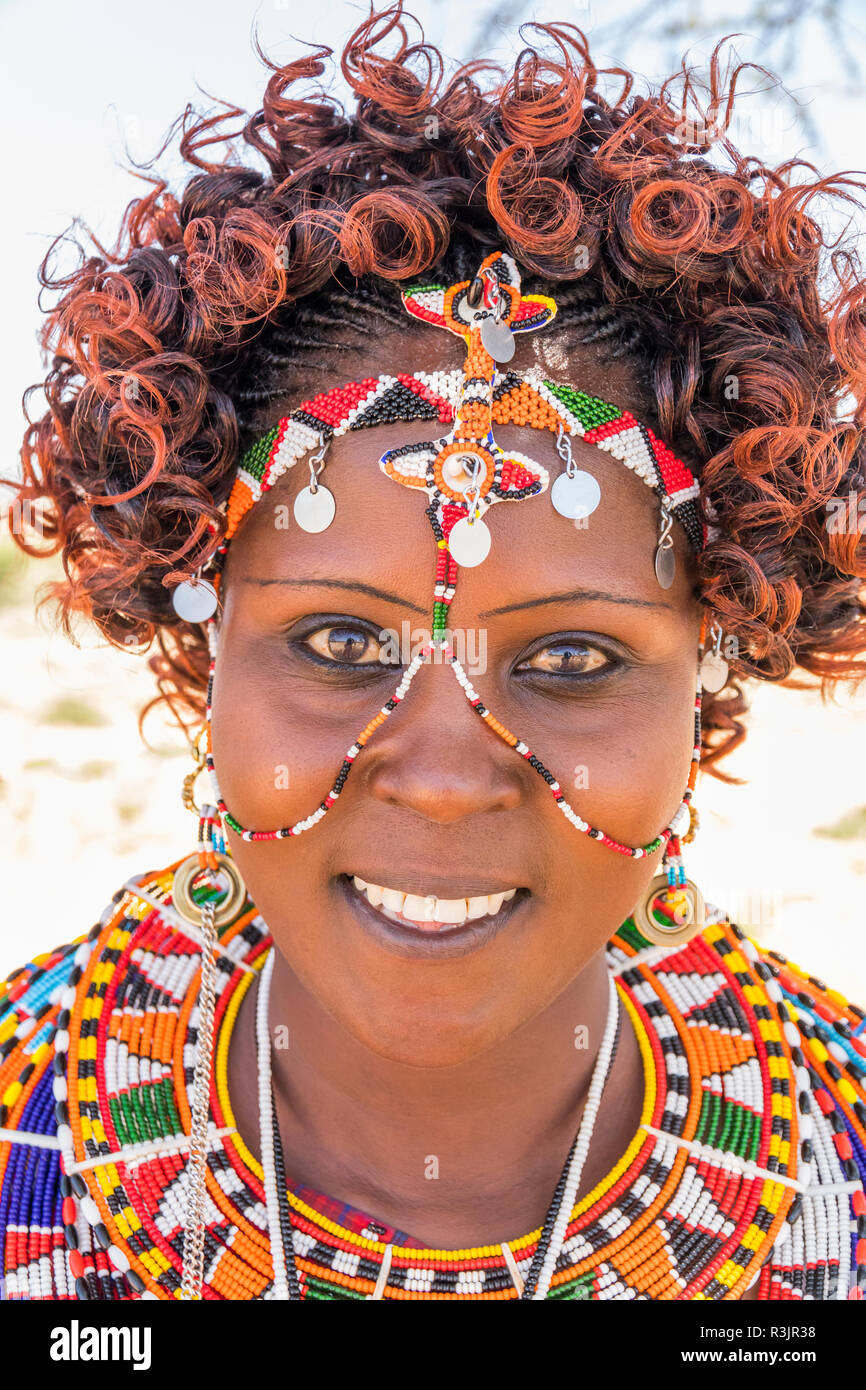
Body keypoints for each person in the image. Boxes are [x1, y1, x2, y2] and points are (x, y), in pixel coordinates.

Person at [2, 7, 866, 1302]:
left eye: (571, 658)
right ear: (205, 646)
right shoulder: (32, 1134)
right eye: (341, 639)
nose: (449, 773)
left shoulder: (833, 1172)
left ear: (706, 659)